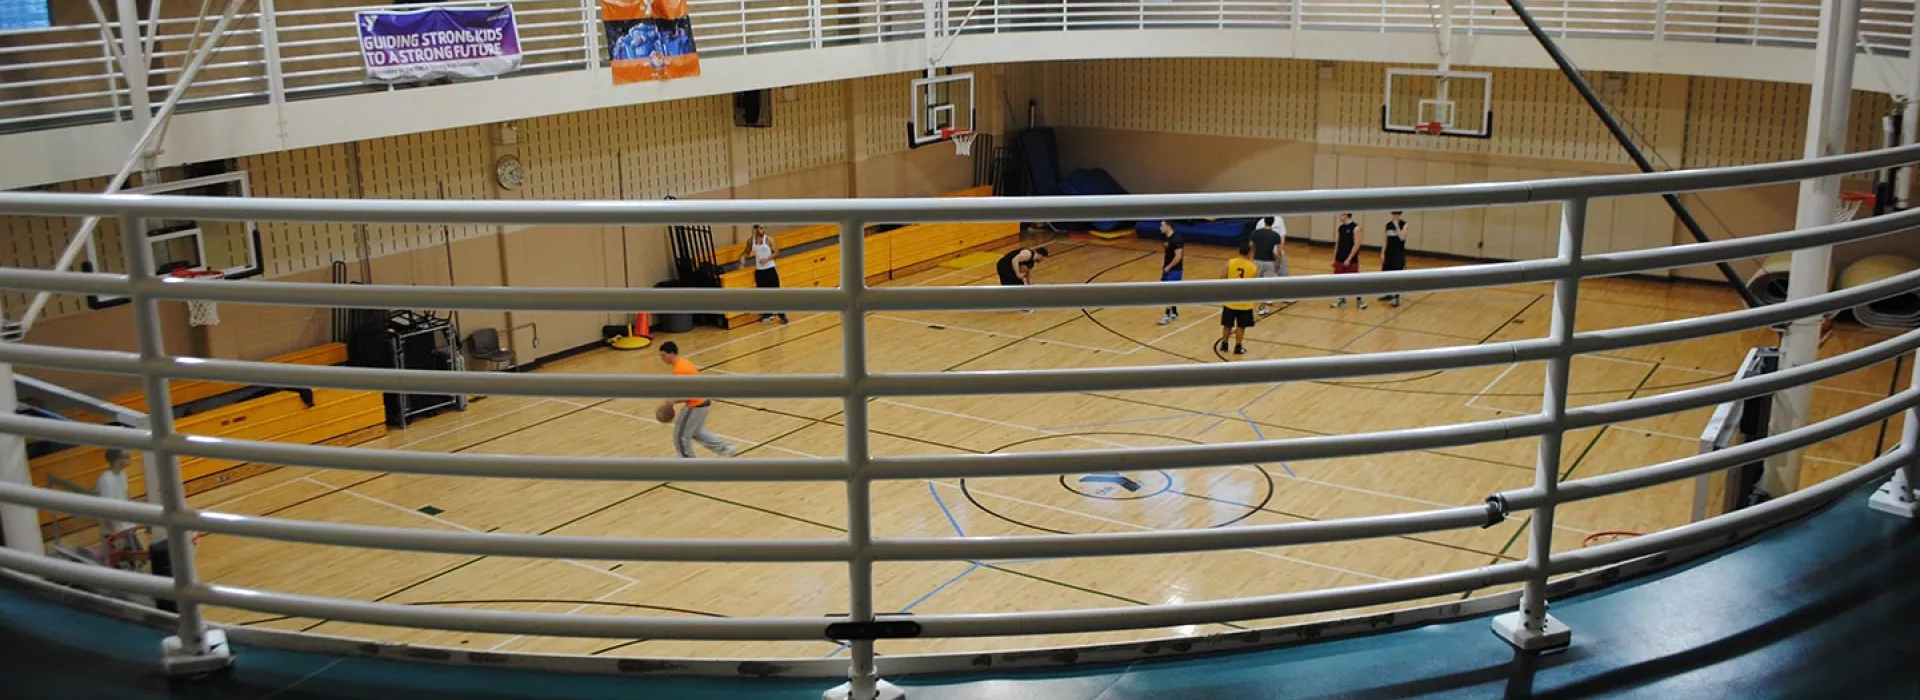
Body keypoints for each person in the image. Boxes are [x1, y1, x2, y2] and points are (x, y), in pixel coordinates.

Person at [658, 342, 736, 459]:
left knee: (680, 437)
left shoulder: (680, 370)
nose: (662, 358)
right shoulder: (684, 363)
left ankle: (689, 464)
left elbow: (691, 395)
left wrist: (672, 401)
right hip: (704, 402)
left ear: (672, 353)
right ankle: (726, 448)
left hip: (696, 406)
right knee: (696, 432)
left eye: (663, 355)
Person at [1218, 240, 1259, 356]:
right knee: (1241, 326)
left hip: (1230, 300)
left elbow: (1222, 277)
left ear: (1239, 251)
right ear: (1249, 252)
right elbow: (1254, 285)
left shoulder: (1230, 263)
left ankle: (1224, 345)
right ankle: (1238, 346)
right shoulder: (1253, 267)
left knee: (1227, 325)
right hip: (1245, 302)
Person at [741, 225, 788, 324]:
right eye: (761, 228)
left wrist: (767, 259)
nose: (763, 230)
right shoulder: (751, 241)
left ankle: (782, 316)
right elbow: (747, 252)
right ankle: (767, 314)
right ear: (756, 229)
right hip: (759, 271)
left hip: (770, 269)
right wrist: (742, 258)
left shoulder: (769, 240)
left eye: (764, 228)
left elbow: (776, 252)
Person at [1249, 216, 1287, 316]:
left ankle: (1253, 306)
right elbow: (1279, 251)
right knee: (1267, 284)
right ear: (1273, 222)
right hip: (1269, 262)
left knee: (1257, 284)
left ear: (1264, 221)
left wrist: (1251, 260)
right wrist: (1279, 263)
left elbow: (1252, 247)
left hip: (1257, 261)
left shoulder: (1255, 233)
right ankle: (1264, 306)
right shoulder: (1275, 236)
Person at [1330, 212, 1366, 309]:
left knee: (1354, 281)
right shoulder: (1341, 228)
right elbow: (1337, 243)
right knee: (1339, 281)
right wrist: (1334, 258)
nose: (1339, 216)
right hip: (1339, 258)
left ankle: (1360, 301)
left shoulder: (1356, 228)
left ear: (1346, 215)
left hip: (1351, 260)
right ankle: (1342, 300)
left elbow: (1357, 245)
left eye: (1341, 214)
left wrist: (1349, 258)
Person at [1378, 211, 1409, 307]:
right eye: (1393, 214)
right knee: (1386, 274)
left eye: (1397, 215)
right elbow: (1385, 240)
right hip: (1389, 253)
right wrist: (1382, 253)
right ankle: (1388, 293)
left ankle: (1396, 298)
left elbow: (1402, 238)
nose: (1395, 216)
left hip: (1398, 254)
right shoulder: (1388, 225)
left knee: (1397, 276)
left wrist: (1397, 226)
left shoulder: (1404, 224)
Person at [1157, 221, 1185, 325]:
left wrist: (1169, 266)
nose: (1160, 227)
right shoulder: (1166, 237)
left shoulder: (1177, 239)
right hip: (1167, 268)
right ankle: (1174, 312)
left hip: (1175, 270)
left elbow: (1178, 256)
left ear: (1168, 226)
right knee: (1169, 290)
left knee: (1168, 292)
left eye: (1162, 225)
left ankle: (1167, 315)